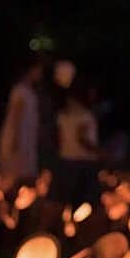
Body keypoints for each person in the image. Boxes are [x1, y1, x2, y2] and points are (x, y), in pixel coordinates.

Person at [0, 57, 44, 187]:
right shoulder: (21, 91)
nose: (40, 75)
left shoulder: (29, 91)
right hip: (19, 138)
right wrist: (15, 138)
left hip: (25, 138)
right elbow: (16, 116)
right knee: (14, 175)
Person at [55, 82, 100, 212]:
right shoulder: (85, 116)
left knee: (66, 203)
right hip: (84, 162)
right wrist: (101, 153)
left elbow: (59, 138)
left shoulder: (62, 115)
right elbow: (83, 139)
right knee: (84, 204)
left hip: (66, 159)